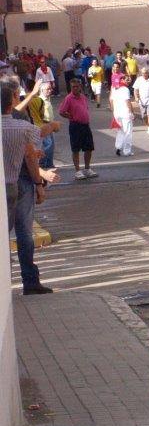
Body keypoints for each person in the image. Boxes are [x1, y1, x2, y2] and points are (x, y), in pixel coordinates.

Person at [3, 83, 60, 294]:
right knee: (24, 234)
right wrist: (39, 182)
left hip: (4, 185)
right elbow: (34, 144)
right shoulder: (21, 125)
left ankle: (5, 285)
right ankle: (30, 281)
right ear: (11, 103)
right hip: (21, 184)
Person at [59, 78, 97, 179]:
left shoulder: (83, 97)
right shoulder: (68, 98)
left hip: (85, 125)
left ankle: (87, 169)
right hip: (75, 126)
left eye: (77, 86)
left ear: (80, 87)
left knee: (88, 147)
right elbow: (62, 111)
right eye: (73, 87)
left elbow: (85, 109)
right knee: (75, 149)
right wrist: (71, 117)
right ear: (70, 87)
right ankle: (77, 171)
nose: (75, 88)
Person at [24, 80, 57, 169]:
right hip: (41, 125)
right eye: (48, 89)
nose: (50, 90)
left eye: (50, 89)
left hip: (41, 125)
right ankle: (42, 163)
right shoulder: (40, 100)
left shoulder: (26, 99)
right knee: (48, 145)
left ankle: (48, 163)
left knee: (49, 145)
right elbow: (42, 115)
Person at [110, 77, 134, 156]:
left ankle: (118, 147)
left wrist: (114, 112)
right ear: (121, 80)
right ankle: (127, 151)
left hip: (117, 113)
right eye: (126, 79)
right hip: (125, 113)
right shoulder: (125, 89)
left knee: (120, 131)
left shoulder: (114, 89)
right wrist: (131, 112)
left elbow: (111, 101)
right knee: (127, 132)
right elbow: (127, 101)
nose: (128, 81)